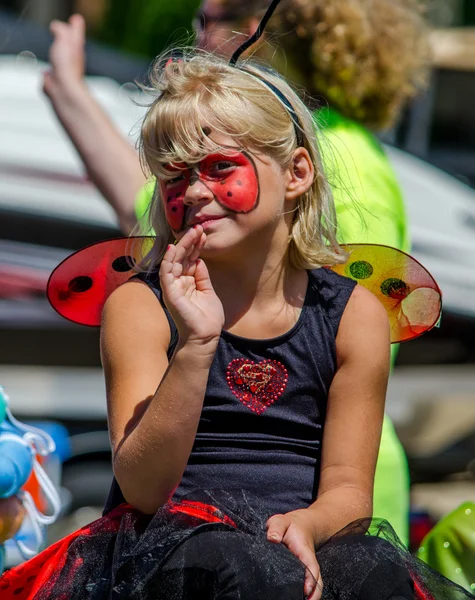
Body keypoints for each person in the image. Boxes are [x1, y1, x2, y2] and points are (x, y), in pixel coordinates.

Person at [2, 47, 469, 600]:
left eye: (220, 167)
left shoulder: (350, 314)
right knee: (235, 566)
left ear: (296, 173)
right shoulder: (141, 306)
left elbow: (348, 491)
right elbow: (144, 489)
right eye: (174, 175)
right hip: (173, 556)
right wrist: (197, 343)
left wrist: (312, 527)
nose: (195, 191)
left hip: (303, 539)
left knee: (374, 571)